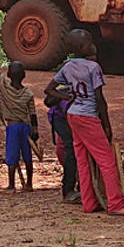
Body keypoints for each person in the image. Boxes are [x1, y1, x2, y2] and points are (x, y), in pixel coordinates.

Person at [56, 29, 124, 216]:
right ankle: (116, 204)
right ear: (83, 47)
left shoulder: (67, 66)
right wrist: (106, 125)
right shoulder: (93, 67)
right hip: (88, 117)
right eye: (90, 42)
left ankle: (89, 203)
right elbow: (100, 99)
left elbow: (50, 89)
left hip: (73, 115)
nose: (93, 45)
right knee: (107, 160)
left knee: (82, 159)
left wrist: (69, 96)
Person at [0, 61, 38, 192]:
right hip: (26, 127)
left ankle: (11, 185)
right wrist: (35, 131)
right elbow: (33, 113)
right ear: (24, 75)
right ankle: (29, 183)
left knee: (12, 155)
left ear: (8, 74)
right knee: (27, 156)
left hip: (12, 127)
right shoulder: (28, 93)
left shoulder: (4, 86)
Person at [43, 71, 78, 203]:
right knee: (71, 148)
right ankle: (68, 189)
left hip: (68, 118)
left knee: (74, 148)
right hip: (59, 118)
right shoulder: (69, 97)